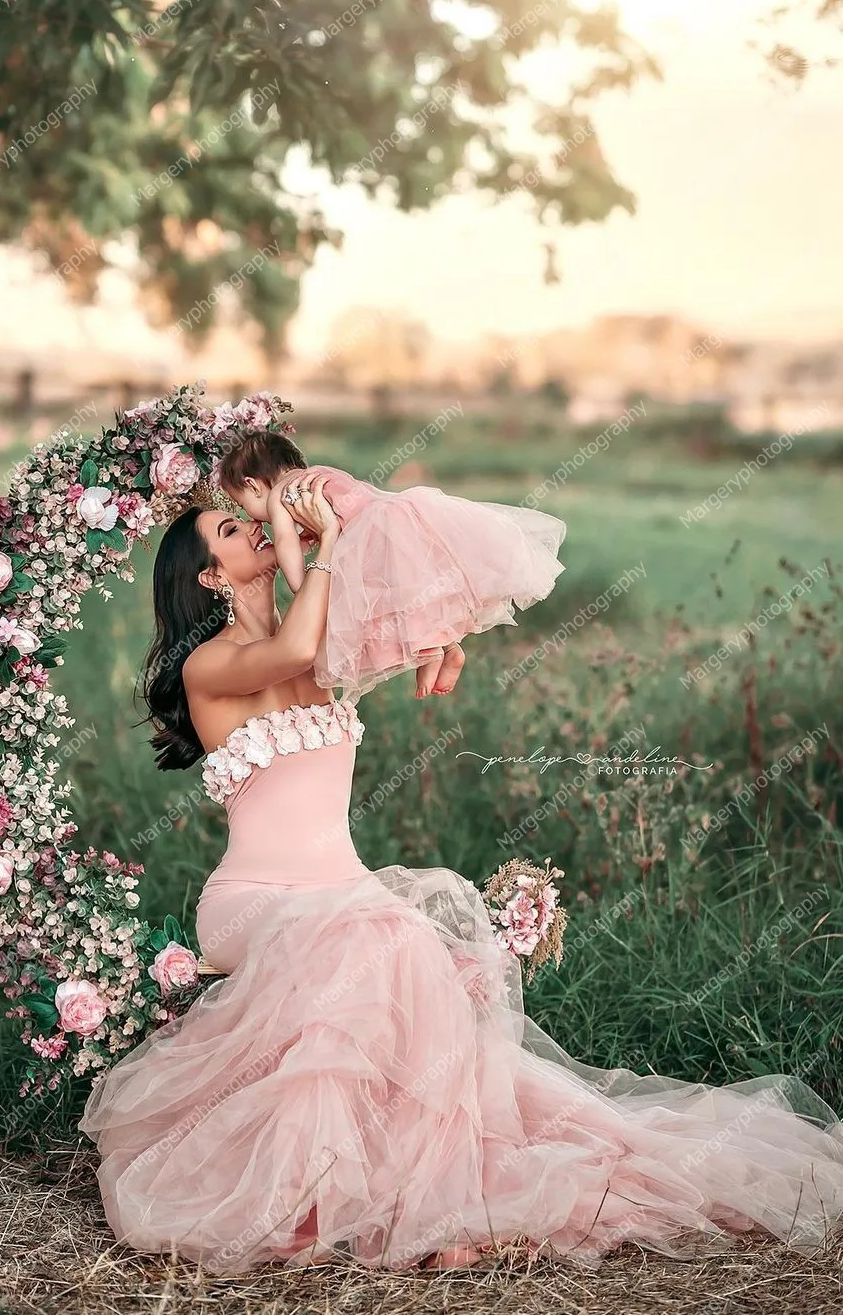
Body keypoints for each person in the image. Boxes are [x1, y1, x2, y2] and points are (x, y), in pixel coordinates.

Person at [77, 475, 843, 1275]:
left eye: (248, 519)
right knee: (390, 933)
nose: (254, 529)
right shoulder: (210, 665)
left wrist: (406, 588)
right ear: (210, 576)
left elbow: (391, 613)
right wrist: (326, 544)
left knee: (406, 939)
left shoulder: (320, 632)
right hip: (256, 902)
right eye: (233, 532)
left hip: (342, 895)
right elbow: (296, 647)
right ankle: (310, 1189)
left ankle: (406, 1187)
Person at [215, 430, 566, 701]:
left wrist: (299, 583)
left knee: (383, 611)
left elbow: (288, 543)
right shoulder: (317, 474)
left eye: (240, 502)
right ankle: (448, 649)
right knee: (416, 601)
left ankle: (435, 654)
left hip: (371, 537)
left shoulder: (281, 494)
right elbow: (342, 509)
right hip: (396, 518)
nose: (246, 514)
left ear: (253, 484)